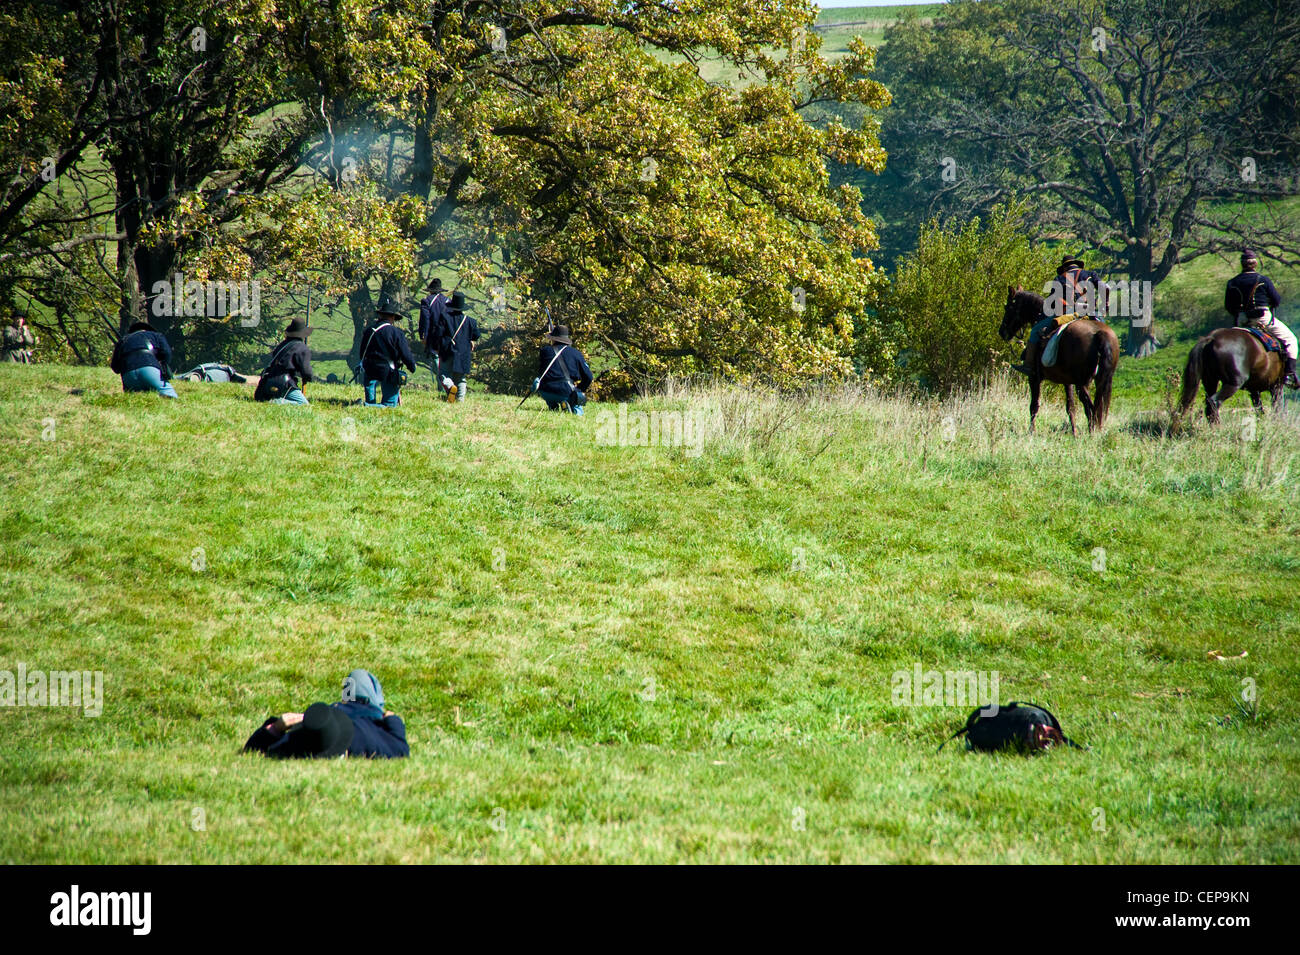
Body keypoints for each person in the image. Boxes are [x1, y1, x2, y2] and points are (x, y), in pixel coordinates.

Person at [242, 668, 409, 759]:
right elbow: (400, 748)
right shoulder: (366, 738)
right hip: (366, 711)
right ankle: (353, 698)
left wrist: (276, 727)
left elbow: (252, 750)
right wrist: (392, 718)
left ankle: (348, 698)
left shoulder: (302, 739)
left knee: (356, 680)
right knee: (359, 677)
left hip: (334, 712)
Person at [1226, 249, 1297, 389]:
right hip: (1262, 319)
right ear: (1255, 264)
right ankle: (1289, 374)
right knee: (1291, 340)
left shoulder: (1232, 282)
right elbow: (1276, 300)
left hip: (1242, 320)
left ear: (1242, 264)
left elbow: (1229, 306)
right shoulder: (1263, 280)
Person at [1013, 255, 1095, 376]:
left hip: (1068, 313)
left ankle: (1028, 365)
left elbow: (1051, 302)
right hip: (1088, 313)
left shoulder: (1059, 278)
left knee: (1035, 331)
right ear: (1076, 265)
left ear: (1064, 267)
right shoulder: (1089, 275)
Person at [358, 295, 416, 406]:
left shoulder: (369, 330)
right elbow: (405, 353)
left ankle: (368, 404)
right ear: (392, 317)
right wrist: (411, 366)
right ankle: (364, 405)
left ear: (380, 315)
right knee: (389, 405)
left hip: (369, 368)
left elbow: (362, 352)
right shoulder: (396, 333)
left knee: (370, 398)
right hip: (387, 370)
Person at [109, 320, 177, 398]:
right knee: (170, 396)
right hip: (150, 370)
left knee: (134, 399)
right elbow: (167, 354)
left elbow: (115, 367)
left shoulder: (122, 341)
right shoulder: (156, 335)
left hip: (128, 376)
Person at [255, 317, 315, 404]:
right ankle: (277, 402)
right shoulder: (302, 348)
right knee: (303, 404)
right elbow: (306, 373)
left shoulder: (282, 345)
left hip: (268, 380)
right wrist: (309, 378)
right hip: (285, 383)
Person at [535, 324, 593, 414]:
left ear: (553, 339)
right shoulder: (576, 353)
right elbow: (588, 377)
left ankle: (553, 406)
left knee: (552, 392)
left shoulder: (545, 351)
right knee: (577, 407)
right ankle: (572, 408)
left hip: (545, 391)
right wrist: (579, 389)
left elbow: (542, 371)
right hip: (565, 391)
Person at [437, 290, 479, 402]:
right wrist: (470, 340)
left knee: (443, 374)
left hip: (447, 350)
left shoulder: (444, 317)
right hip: (463, 353)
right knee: (461, 378)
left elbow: (438, 334)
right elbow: (476, 335)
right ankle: (460, 400)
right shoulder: (471, 321)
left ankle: (450, 387)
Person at [418, 278, 450, 385]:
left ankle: (443, 385)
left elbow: (425, 319)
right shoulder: (448, 301)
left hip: (433, 335)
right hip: (447, 335)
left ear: (430, 290)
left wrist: (423, 335)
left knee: (436, 359)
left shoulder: (426, 301)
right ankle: (447, 384)